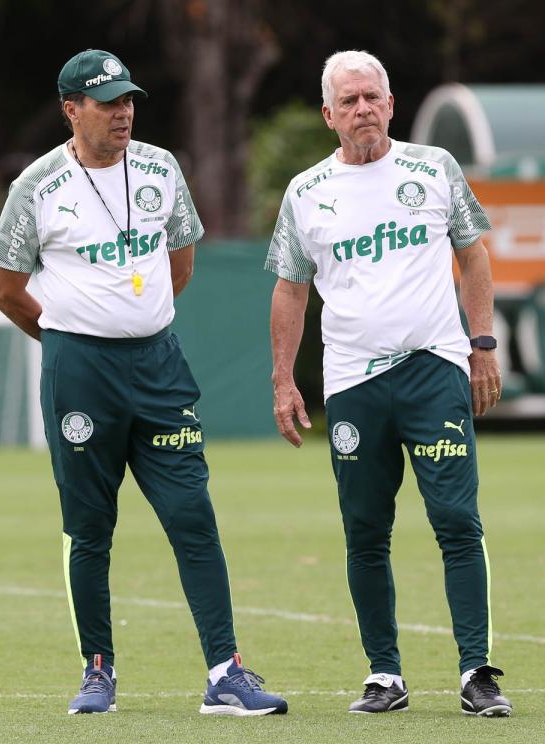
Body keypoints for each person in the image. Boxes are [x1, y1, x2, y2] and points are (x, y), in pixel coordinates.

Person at [0, 48, 287, 718]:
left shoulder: (160, 167)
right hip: (80, 374)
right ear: (72, 110)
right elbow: (4, 291)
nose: (123, 112)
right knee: (90, 528)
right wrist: (68, 339)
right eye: (107, 102)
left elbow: (180, 264)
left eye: (128, 100)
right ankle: (98, 671)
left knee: (193, 516)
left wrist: (134, 320)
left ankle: (225, 675)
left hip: (157, 365)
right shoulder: (36, 187)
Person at [266, 49, 512, 717]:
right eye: (349, 101)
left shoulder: (432, 169)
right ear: (328, 115)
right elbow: (291, 291)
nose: (363, 109)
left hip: (434, 367)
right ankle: (384, 674)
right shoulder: (305, 192)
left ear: (392, 104)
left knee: (457, 520)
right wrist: (285, 379)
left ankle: (475, 673)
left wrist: (482, 345)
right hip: (352, 384)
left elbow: (473, 257)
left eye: (372, 97)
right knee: (365, 529)